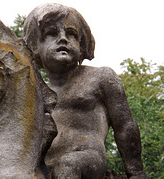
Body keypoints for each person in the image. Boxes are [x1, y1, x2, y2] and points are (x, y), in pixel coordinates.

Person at [22, 3, 148, 179]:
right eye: (52, 33)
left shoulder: (100, 77)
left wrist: (136, 172)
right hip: (44, 164)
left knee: (67, 166)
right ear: (34, 45)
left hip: (85, 159)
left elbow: (125, 125)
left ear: (81, 44)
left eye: (71, 34)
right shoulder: (33, 91)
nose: (63, 38)